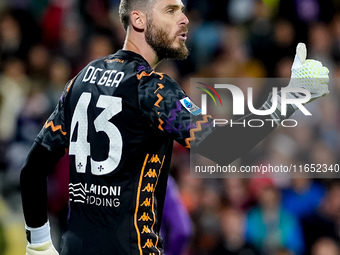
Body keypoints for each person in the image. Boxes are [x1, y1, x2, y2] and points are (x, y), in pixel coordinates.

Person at [20, 0, 330, 254]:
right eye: (171, 10)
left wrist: (39, 244)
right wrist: (292, 94)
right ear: (138, 20)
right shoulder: (153, 89)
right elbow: (224, 146)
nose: (184, 19)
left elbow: (32, 167)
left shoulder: (82, 78)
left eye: (182, 10)